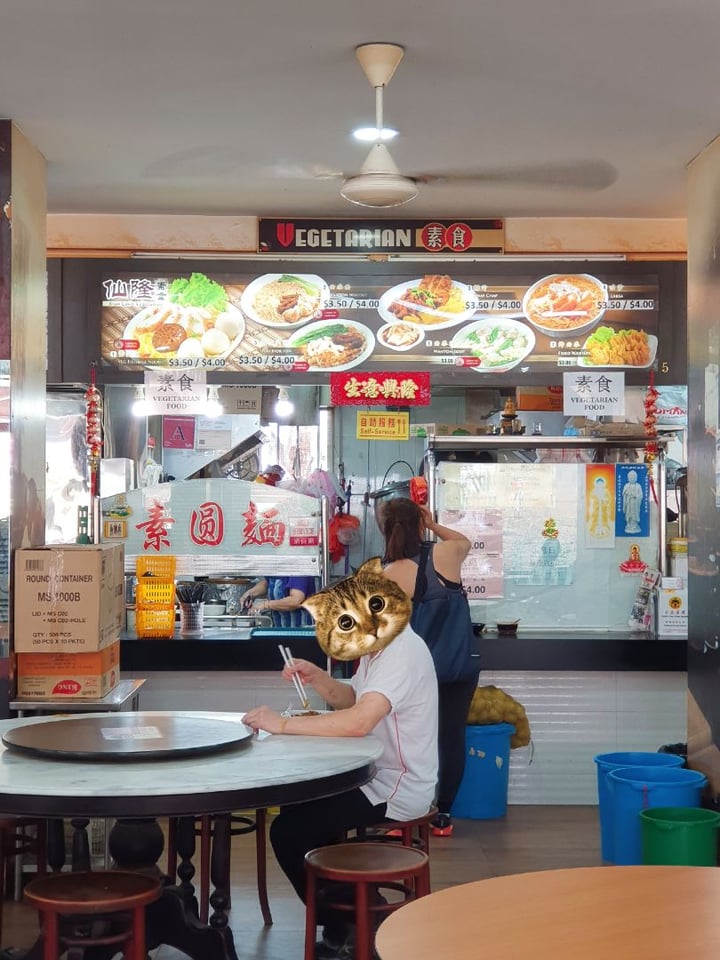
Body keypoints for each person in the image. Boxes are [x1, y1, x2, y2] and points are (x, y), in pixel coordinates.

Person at [243, 582, 438, 960]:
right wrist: (319, 678)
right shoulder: (381, 646)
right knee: (299, 814)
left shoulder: (401, 653)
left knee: (289, 831)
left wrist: (281, 725)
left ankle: (355, 919)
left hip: (395, 784)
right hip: (372, 772)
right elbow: (355, 699)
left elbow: (358, 722)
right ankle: (347, 917)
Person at [379, 497, 480, 837]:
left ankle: (403, 815)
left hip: (413, 675)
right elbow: (463, 542)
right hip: (457, 667)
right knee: (451, 739)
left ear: (384, 529)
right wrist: (434, 524)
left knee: (406, 742)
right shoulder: (445, 555)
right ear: (419, 524)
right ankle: (443, 816)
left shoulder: (387, 573)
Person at [239, 575, 316, 628]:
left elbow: (296, 601)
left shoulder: (298, 566)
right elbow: (267, 583)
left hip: (300, 630)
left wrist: (265, 605)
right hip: (280, 628)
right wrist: (250, 593)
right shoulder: (279, 565)